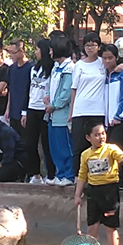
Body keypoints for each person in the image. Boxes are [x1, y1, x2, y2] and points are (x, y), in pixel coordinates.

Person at [74, 117, 123, 245]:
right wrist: (77, 195)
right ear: (88, 137)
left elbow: (120, 156)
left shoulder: (111, 149)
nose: (101, 137)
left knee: (111, 227)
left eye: (103, 133)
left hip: (110, 192)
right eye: (97, 134)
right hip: (93, 192)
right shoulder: (85, 155)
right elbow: (82, 175)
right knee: (92, 227)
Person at [69, 32, 105, 177]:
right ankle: (79, 177)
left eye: (93, 45)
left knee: (98, 145)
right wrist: (71, 112)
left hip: (98, 110)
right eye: (87, 45)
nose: (90, 48)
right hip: (80, 110)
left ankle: (99, 177)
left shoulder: (103, 63)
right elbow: (74, 90)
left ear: (99, 46)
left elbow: (121, 63)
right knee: (79, 146)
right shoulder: (78, 65)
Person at [46, 35, 75, 186]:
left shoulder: (70, 68)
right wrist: (47, 97)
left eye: (51, 49)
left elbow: (66, 93)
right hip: (52, 116)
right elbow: (49, 86)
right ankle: (60, 173)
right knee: (55, 147)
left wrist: (54, 105)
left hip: (63, 115)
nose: (49, 52)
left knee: (65, 147)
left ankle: (69, 175)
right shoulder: (55, 68)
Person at [25, 39, 55, 184]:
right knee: (30, 143)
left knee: (46, 143)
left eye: (37, 49)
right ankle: (35, 174)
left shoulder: (53, 69)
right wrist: (24, 111)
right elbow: (28, 90)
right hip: (32, 108)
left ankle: (51, 174)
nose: (35, 52)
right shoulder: (34, 69)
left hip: (45, 110)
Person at [102, 44, 123, 147]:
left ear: (117, 58)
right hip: (108, 121)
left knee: (114, 151)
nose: (107, 61)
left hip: (122, 119)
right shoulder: (103, 75)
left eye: (110, 58)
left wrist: (119, 116)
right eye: (104, 58)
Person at [4, 39, 33, 136]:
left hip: (25, 111)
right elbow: (10, 89)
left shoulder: (31, 67)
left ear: (21, 51)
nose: (11, 55)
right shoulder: (12, 68)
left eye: (13, 52)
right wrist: (8, 109)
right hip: (13, 111)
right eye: (9, 52)